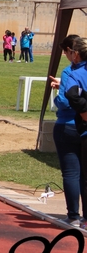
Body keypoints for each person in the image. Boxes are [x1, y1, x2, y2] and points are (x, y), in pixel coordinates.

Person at [50, 34, 85, 227]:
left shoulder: (70, 72)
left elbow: (65, 101)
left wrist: (58, 94)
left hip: (68, 124)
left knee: (72, 172)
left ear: (73, 53)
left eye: (66, 51)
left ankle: (73, 215)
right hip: (83, 126)